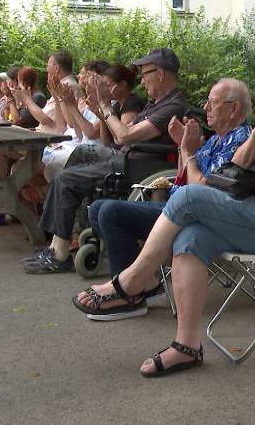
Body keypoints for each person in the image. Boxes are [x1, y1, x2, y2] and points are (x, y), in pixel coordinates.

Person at [73, 43, 255, 377]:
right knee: (191, 237)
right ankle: (187, 346)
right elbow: (237, 165)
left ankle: (132, 282)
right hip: (252, 212)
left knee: (190, 196)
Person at [79, 78, 252, 318]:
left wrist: (187, 151)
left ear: (234, 108)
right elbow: (182, 180)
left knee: (110, 212)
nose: (206, 107)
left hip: (198, 219)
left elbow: (203, 192)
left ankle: (130, 295)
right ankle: (144, 284)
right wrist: (183, 146)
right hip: (178, 209)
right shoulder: (216, 140)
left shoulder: (240, 140)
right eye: (208, 102)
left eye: (213, 102)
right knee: (97, 209)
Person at [22, 48, 188, 274]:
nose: (141, 79)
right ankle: (69, 234)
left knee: (66, 178)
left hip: (139, 164)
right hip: (127, 156)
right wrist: (101, 110)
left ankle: (60, 251)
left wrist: (105, 105)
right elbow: (118, 135)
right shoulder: (156, 103)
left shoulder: (173, 106)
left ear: (159, 73)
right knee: (77, 160)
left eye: (145, 73)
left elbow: (124, 136)